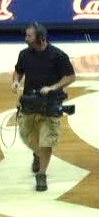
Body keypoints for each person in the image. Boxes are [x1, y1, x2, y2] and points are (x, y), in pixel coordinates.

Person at [12, 23, 76, 191]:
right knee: (26, 134)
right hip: (29, 102)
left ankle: (42, 174)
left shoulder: (58, 55)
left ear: (40, 38)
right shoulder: (24, 54)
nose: (26, 39)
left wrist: (54, 87)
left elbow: (71, 77)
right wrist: (16, 81)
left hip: (50, 104)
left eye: (29, 36)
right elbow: (18, 70)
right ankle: (37, 153)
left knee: (47, 140)